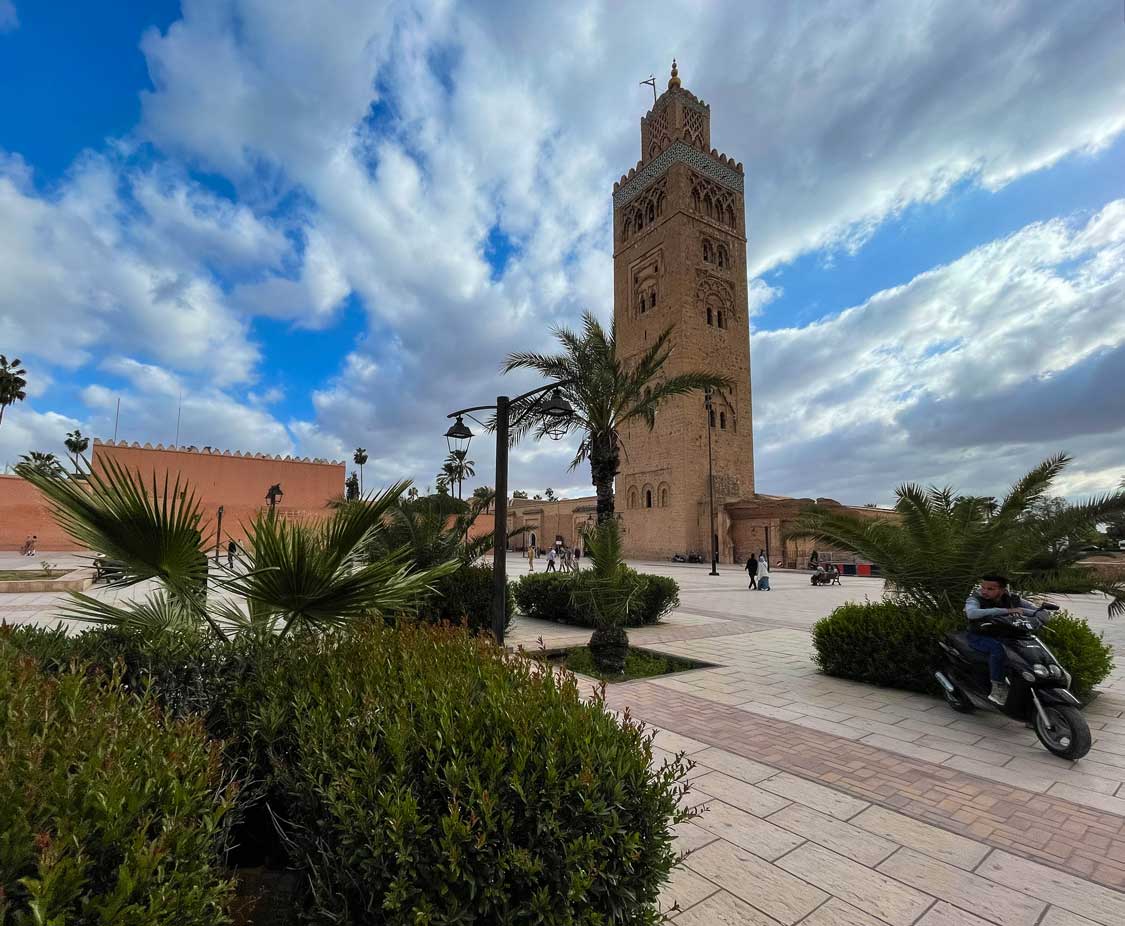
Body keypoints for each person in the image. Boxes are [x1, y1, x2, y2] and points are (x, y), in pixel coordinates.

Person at [965, 572, 1044, 706]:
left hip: (1006, 634)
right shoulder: (974, 599)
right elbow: (972, 613)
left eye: (990, 589)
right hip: (980, 636)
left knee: (1029, 649)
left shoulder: (1013, 598)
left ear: (1002, 589)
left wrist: (1042, 614)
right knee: (998, 649)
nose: (984, 591)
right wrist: (1005, 611)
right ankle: (998, 687)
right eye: (983, 587)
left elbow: (1031, 610)